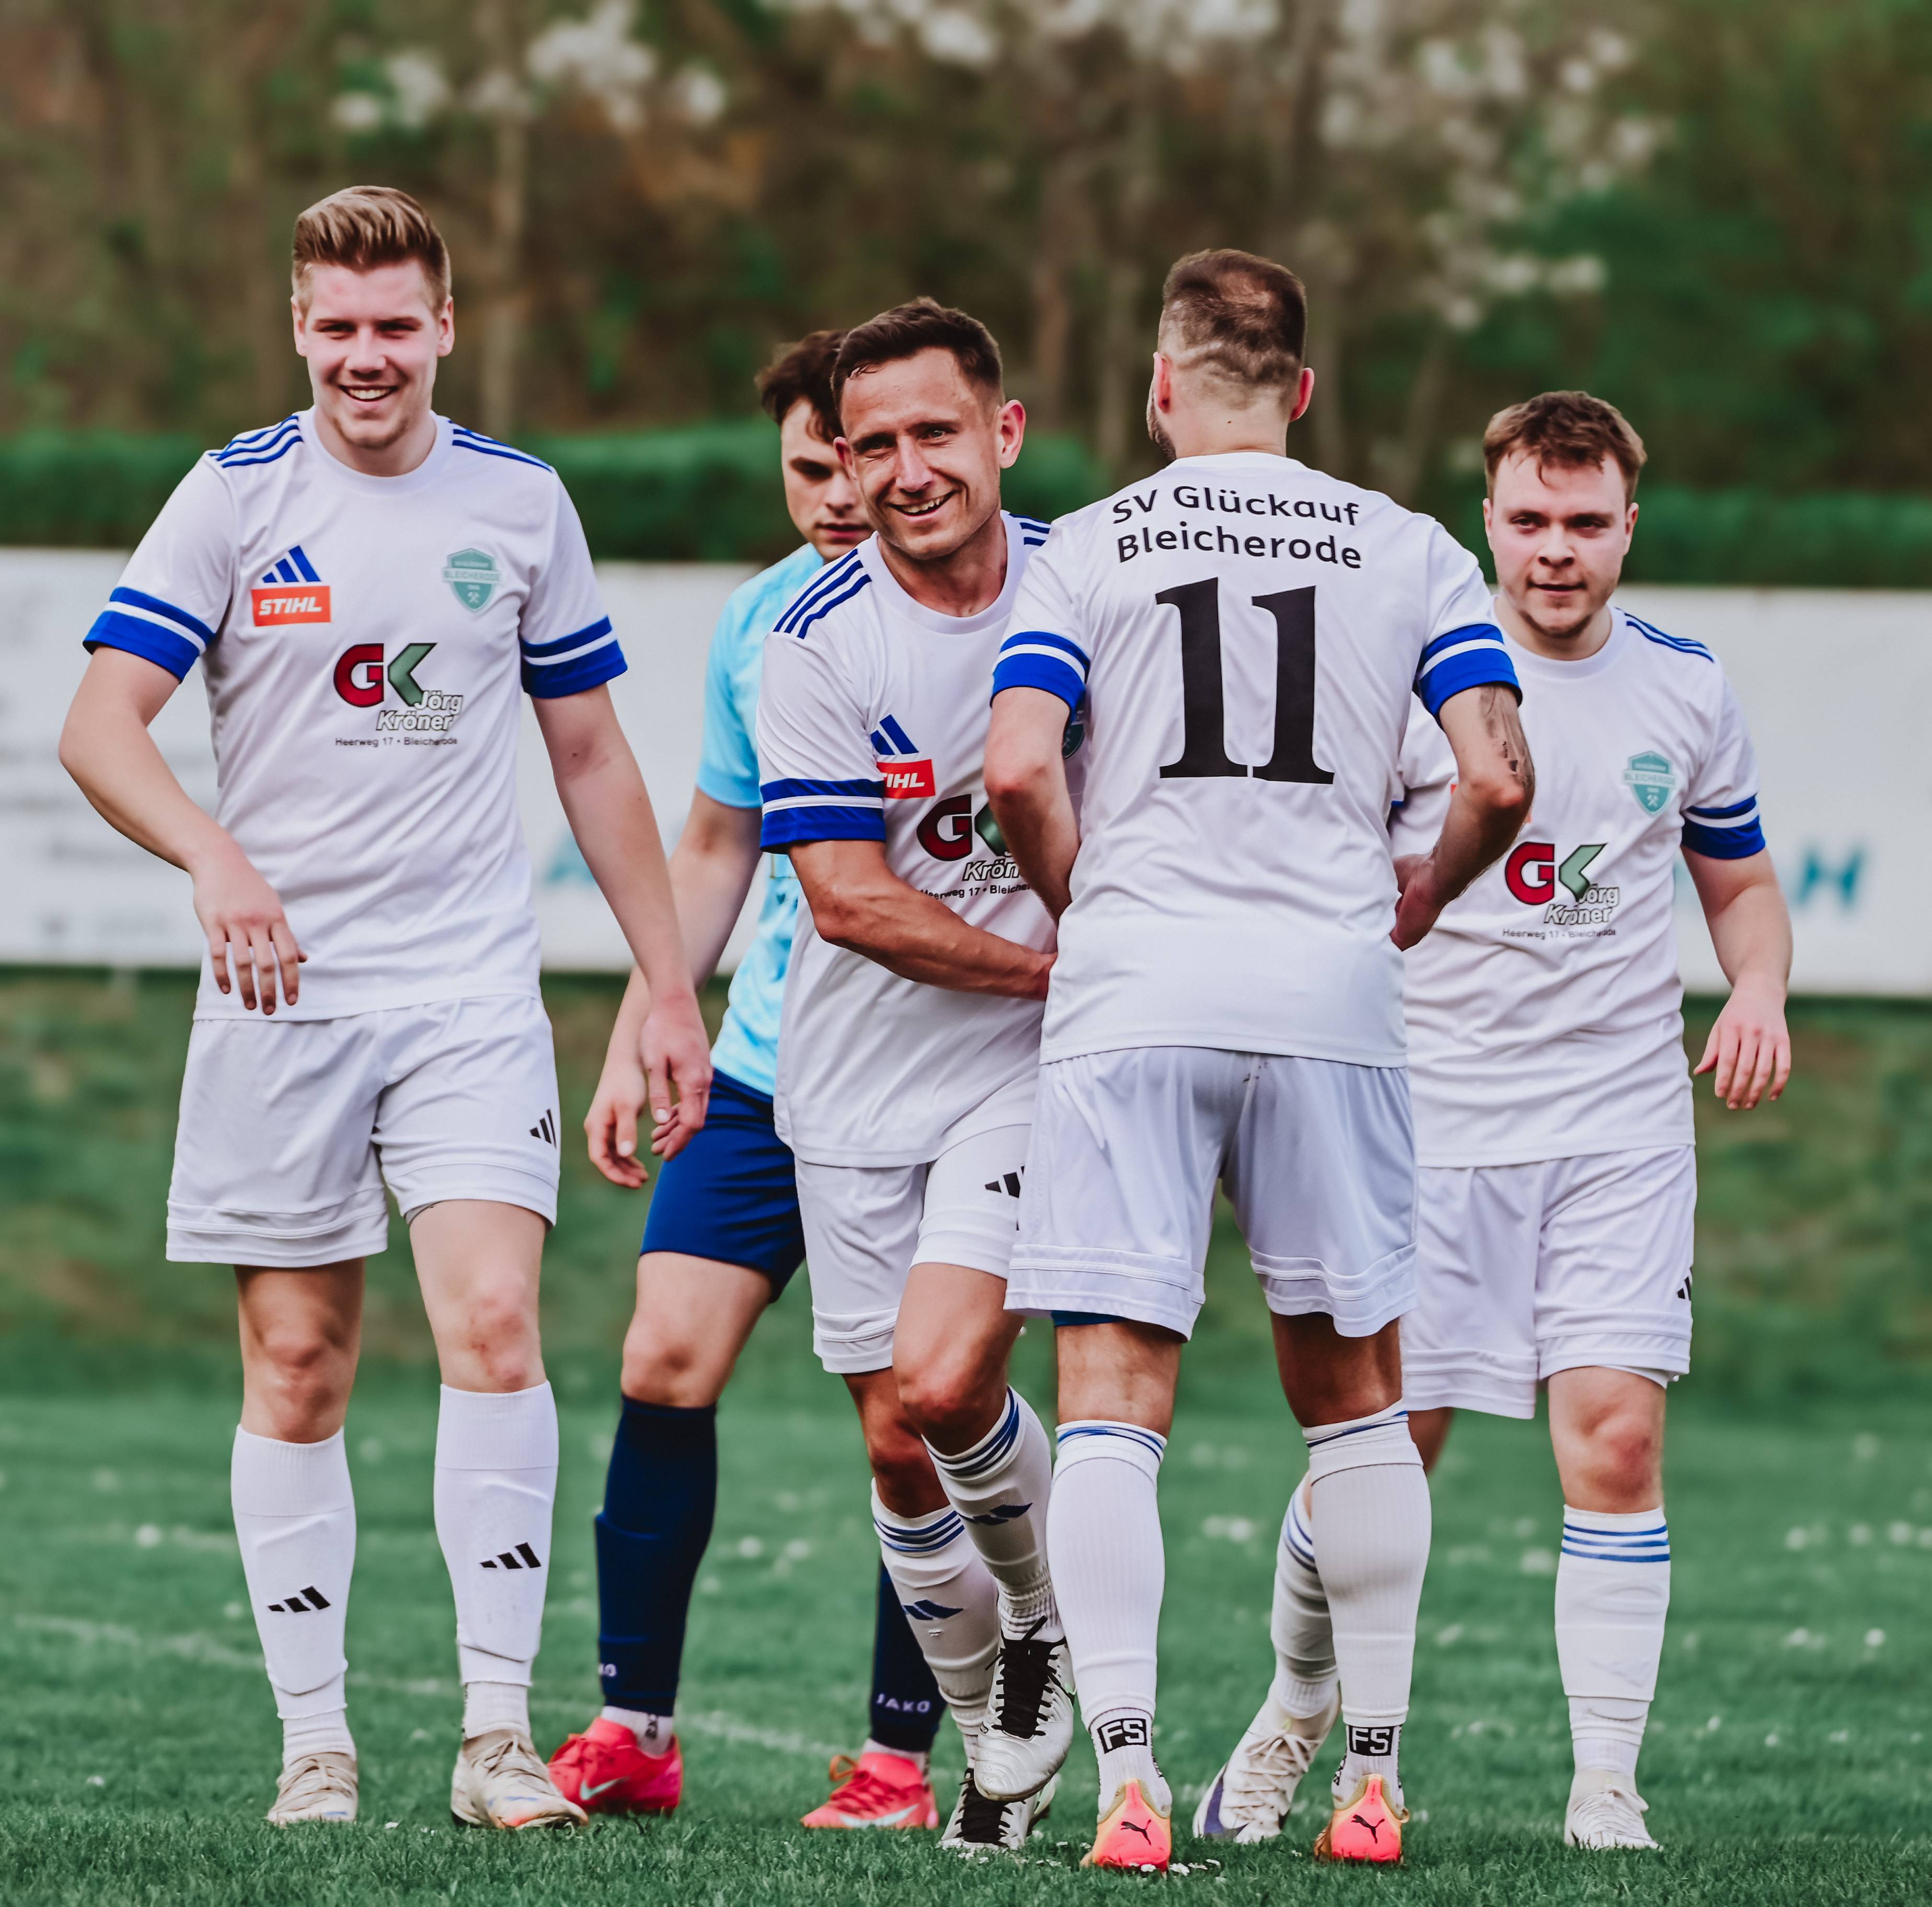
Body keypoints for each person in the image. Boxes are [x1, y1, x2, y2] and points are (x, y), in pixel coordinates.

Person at [56, 186, 711, 1832]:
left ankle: (498, 1737)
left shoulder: (522, 502)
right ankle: (316, 1744)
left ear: (443, 327)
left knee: (495, 1323)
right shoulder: (228, 499)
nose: (367, 357)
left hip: (467, 993)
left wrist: (662, 978)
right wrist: (214, 859)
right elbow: (100, 726)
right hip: (281, 997)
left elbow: (587, 755)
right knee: (297, 1364)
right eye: (336, 327)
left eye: (395, 326)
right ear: (297, 328)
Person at [983, 248, 1534, 1871]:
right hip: (1332, 997)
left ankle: (1131, 1787)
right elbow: (1499, 774)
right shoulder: (1409, 546)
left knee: (1111, 1393)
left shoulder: (1087, 546)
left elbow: (1021, 764)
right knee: (1356, 1397)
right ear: (1303, 392)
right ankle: (1368, 1780)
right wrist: (1416, 894)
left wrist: (1099, 904)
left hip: (1138, 992)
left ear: (1161, 389)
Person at [544, 331, 950, 1832]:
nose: (848, 492)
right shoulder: (762, 622)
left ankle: (905, 1759)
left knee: (912, 1419)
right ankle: (633, 1729)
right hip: (770, 1073)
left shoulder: (1015, 598)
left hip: (935, 1083)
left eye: (867, 458)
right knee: (664, 1359)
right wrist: (655, 1011)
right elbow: (716, 842)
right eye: (816, 466)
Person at [1385, 392, 1788, 1848]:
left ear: (1632, 526)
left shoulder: (1687, 685)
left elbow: (1741, 888)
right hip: (1431, 1124)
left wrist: (1758, 995)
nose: (1558, 552)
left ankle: (1606, 1784)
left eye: (1587, 524)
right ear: (1486, 521)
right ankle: (1298, 1724)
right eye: (1531, 522)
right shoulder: (1412, 674)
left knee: (1614, 1443)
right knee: (1387, 1452)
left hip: (1620, 1125)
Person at [754, 298, 1074, 1853]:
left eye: (934, 432)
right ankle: (995, 1747)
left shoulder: (1096, 590)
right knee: (894, 1436)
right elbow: (845, 896)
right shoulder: (814, 640)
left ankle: (1052, 1640)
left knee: (952, 1382)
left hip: (1027, 1072)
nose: (904, 468)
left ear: (1002, 431)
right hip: (856, 1074)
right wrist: (1053, 959)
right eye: (871, 443)